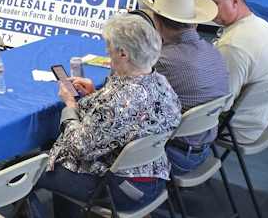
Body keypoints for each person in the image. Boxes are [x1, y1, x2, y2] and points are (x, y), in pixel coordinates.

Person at [30, 13, 181, 218]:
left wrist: (70, 104)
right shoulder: (162, 84)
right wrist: (95, 95)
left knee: (22, 170)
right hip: (156, 176)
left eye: (110, 48)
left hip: (122, 189)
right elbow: (123, 119)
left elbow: (77, 147)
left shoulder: (117, 102)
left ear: (123, 54)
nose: (107, 53)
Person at [141, 0, 229, 174]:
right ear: (193, 22)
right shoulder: (213, 51)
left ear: (157, 21)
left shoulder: (163, 61)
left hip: (172, 155)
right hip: (204, 148)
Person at [195, 0, 268, 144]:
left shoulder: (232, 46)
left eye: (215, 4)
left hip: (235, 129)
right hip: (258, 118)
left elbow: (221, 104)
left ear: (235, 0)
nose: (210, 13)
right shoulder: (261, 24)